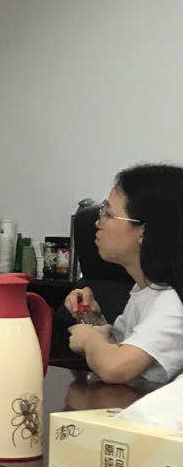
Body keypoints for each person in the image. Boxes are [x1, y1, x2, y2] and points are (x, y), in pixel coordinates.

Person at [66, 164, 183, 386]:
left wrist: (90, 340)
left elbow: (116, 368)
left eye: (109, 214)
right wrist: (92, 319)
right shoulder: (144, 289)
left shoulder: (174, 302)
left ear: (145, 232)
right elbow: (117, 350)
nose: (98, 222)